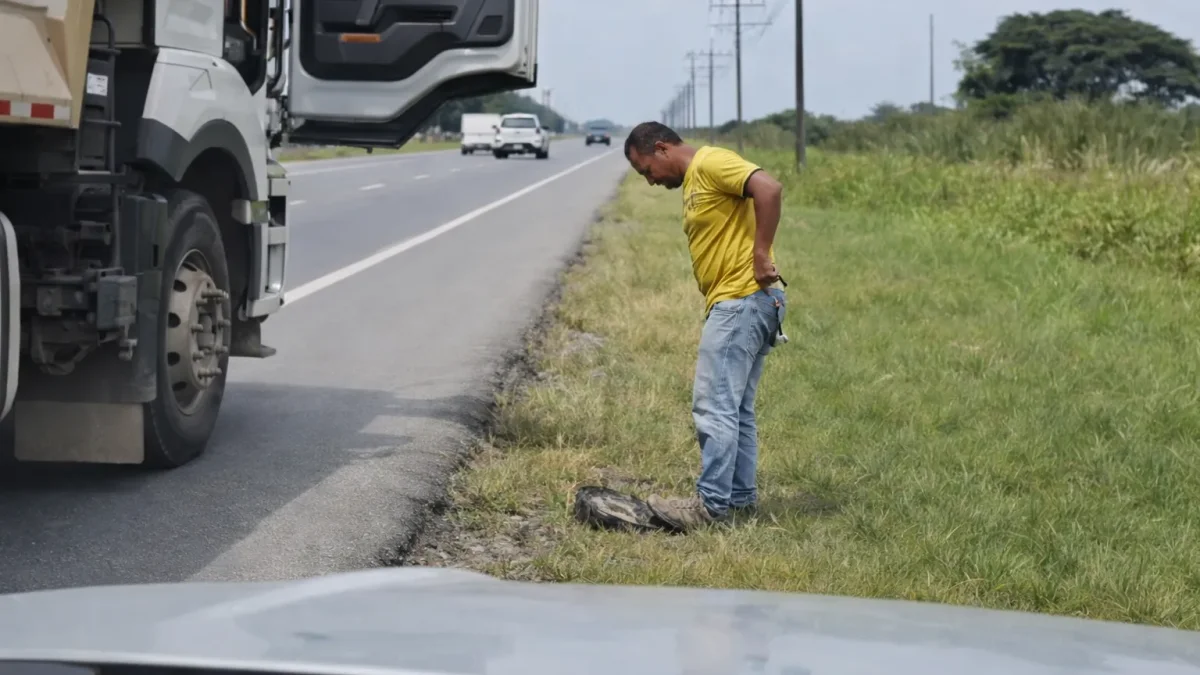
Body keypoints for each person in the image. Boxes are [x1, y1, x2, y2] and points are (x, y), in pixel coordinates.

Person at [622, 121, 787, 532]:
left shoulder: (710, 162)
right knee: (737, 409)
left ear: (661, 149)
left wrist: (761, 253)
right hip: (745, 302)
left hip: (741, 299)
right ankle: (739, 500)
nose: (650, 181)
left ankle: (711, 506)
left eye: (647, 171)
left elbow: (769, 188)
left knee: (713, 406)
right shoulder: (698, 177)